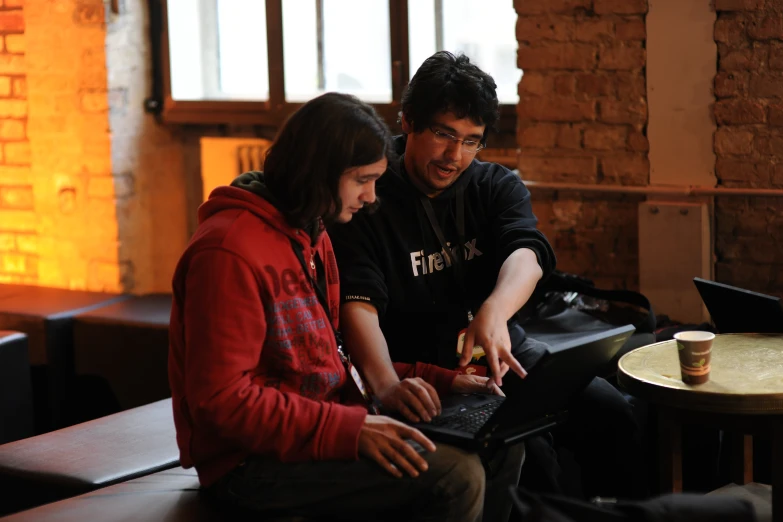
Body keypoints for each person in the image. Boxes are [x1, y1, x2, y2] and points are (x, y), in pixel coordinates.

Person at [167, 92, 524, 522]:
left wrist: (430, 381)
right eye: (362, 180)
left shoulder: (312, 233)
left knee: (501, 442)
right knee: (457, 475)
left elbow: (327, 360)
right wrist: (350, 430)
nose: (372, 197)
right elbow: (223, 403)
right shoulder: (228, 251)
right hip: (248, 464)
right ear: (318, 174)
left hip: (322, 425)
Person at [329, 52, 645, 500]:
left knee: (611, 411)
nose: (454, 156)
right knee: (528, 450)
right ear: (407, 121)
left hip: (503, 353)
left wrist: (495, 310)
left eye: (471, 140)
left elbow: (528, 254)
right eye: (443, 134)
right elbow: (356, 305)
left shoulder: (494, 184)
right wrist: (387, 384)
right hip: (428, 373)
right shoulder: (370, 194)